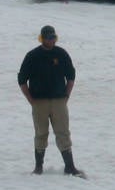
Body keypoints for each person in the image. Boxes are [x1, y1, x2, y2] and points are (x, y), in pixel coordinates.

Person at [17, 25, 82, 176]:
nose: (51, 40)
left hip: (59, 100)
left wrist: (66, 95)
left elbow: (71, 75)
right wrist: (30, 99)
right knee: (41, 133)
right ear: (42, 38)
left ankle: (70, 167)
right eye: (48, 38)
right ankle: (38, 167)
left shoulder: (61, 54)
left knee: (63, 132)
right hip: (39, 102)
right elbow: (21, 79)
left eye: (53, 37)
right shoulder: (32, 56)